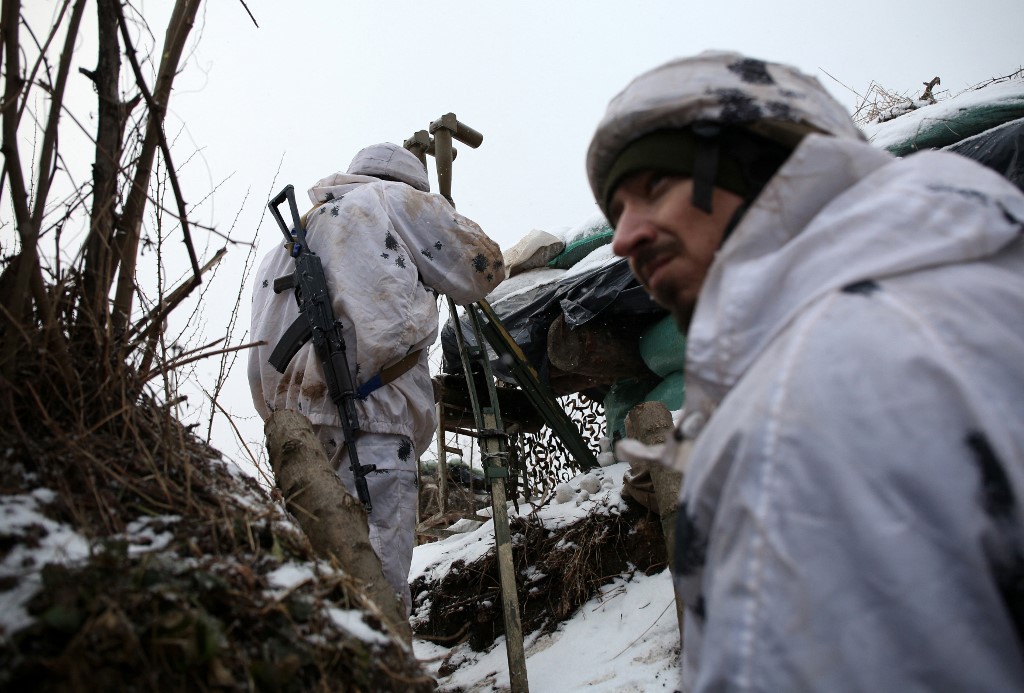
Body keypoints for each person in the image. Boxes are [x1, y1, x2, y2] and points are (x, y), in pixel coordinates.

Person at [587, 50, 1024, 691]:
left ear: (764, 167)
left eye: (654, 187)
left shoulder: (806, 392)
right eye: (614, 212)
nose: (623, 239)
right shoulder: (973, 293)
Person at [249, 142, 505, 615]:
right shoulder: (393, 200)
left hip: (297, 441)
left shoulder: (285, 245)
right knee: (377, 589)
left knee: (313, 589)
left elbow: (259, 361)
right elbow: (481, 269)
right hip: (375, 426)